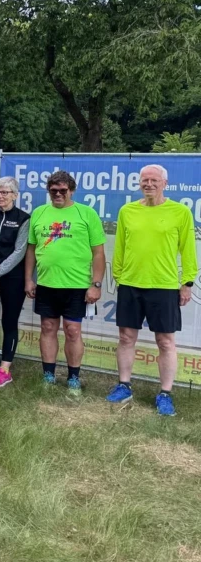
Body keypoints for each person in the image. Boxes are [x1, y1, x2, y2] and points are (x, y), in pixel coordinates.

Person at [106, 165, 197, 416]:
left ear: (164, 183)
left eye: (154, 180)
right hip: (130, 284)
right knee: (126, 338)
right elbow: (120, 247)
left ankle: (165, 393)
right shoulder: (127, 211)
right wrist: (119, 277)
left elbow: (188, 249)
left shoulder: (180, 212)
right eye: (144, 180)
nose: (149, 184)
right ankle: (124, 385)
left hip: (164, 286)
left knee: (165, 342)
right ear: (139, 183)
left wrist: (187, 282)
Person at [24, 170, 106, 395]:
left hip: (77, 285)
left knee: (72, 331)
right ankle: (48, 376)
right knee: (48, 327)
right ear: (48, 191)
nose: (58, 194)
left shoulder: (86, 214)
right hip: (47, 284)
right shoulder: (39, 213)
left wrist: (96, 284)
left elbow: (98, 253)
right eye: (53, 190)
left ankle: (73, 378)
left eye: (63, 190)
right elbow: (31, 249)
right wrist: (29, 279)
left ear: (72, 190)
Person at [0, 177, 30, 388]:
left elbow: (20, 251)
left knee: (9, 321)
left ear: (15, 195)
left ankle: (4, 369)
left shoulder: (23, 219)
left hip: (11, 277)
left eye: (5, 193)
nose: (0, 196)